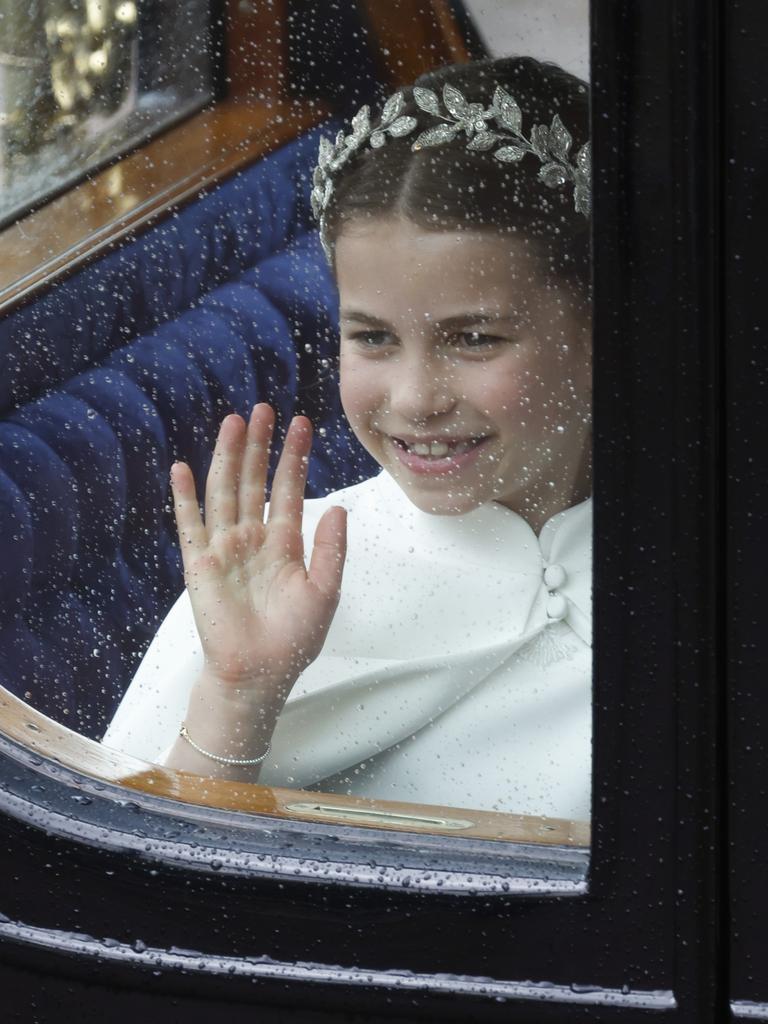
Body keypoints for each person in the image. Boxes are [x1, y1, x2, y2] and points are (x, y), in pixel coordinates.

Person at [103, 56, 593, 820]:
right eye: (372, 338)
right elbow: (122, 888)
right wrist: (239, 693)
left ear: (598, 330)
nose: (414, 399)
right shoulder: (270, 576)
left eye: (472, 339)